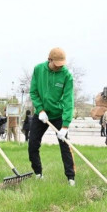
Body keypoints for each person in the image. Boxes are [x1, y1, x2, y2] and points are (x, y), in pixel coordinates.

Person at [28, 47, 75, 186]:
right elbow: (34, 91)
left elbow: (68, 101)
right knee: (32, 145)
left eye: (62, 64)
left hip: (58, 115)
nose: (59, 67)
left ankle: (71, 178)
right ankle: (38, 174)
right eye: (57, 64)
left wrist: (65, 126)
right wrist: (40, 110)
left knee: (65, 146)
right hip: (41, 115)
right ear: (49, 60)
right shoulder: (38, 69)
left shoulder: (66, 75)